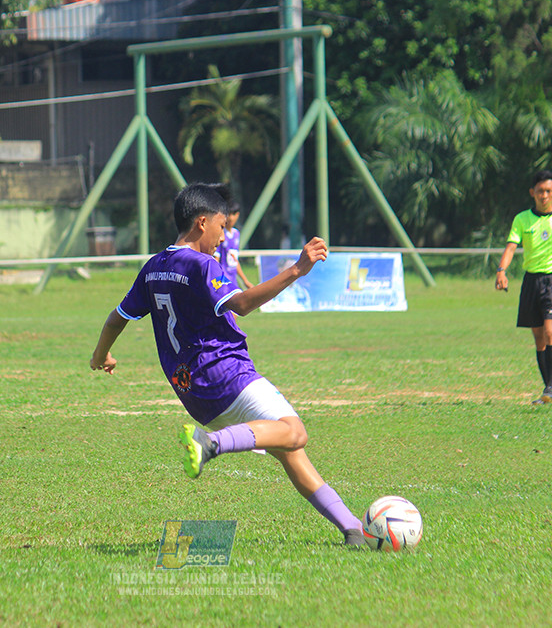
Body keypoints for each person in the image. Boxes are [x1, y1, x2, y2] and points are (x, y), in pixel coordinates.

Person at [90, 183, 365, 546]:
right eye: (222, 227)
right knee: (295, 432)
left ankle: (353, 530)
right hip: (227, 375)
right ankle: (212, 444)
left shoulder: (153, 267)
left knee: (290, 451)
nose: (224, 237)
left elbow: (116, 318)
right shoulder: (202, 264)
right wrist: (297, 269)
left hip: (194, 395)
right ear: (202, 223)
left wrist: (100, 355)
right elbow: (243, 304)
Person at [495, 170, 552, 404]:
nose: (544, 195)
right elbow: (511, 247)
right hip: (532, 281)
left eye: (548, 191)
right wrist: (501, 270)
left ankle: (550, 389)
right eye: (539, 191)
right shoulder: (522, 219)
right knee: (539, 338)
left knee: (551, 331)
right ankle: (547, 388)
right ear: (532, 193)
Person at [213, 193, 253, 289]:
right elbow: (216, 260)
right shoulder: (221, 233)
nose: (230, 218)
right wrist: (215, 284)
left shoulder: (236, 234)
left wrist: (245, 281)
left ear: (237, 215)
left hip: (233, 279)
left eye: (233, 214)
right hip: (222, 279)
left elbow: (234, 260)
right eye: (228, 214)